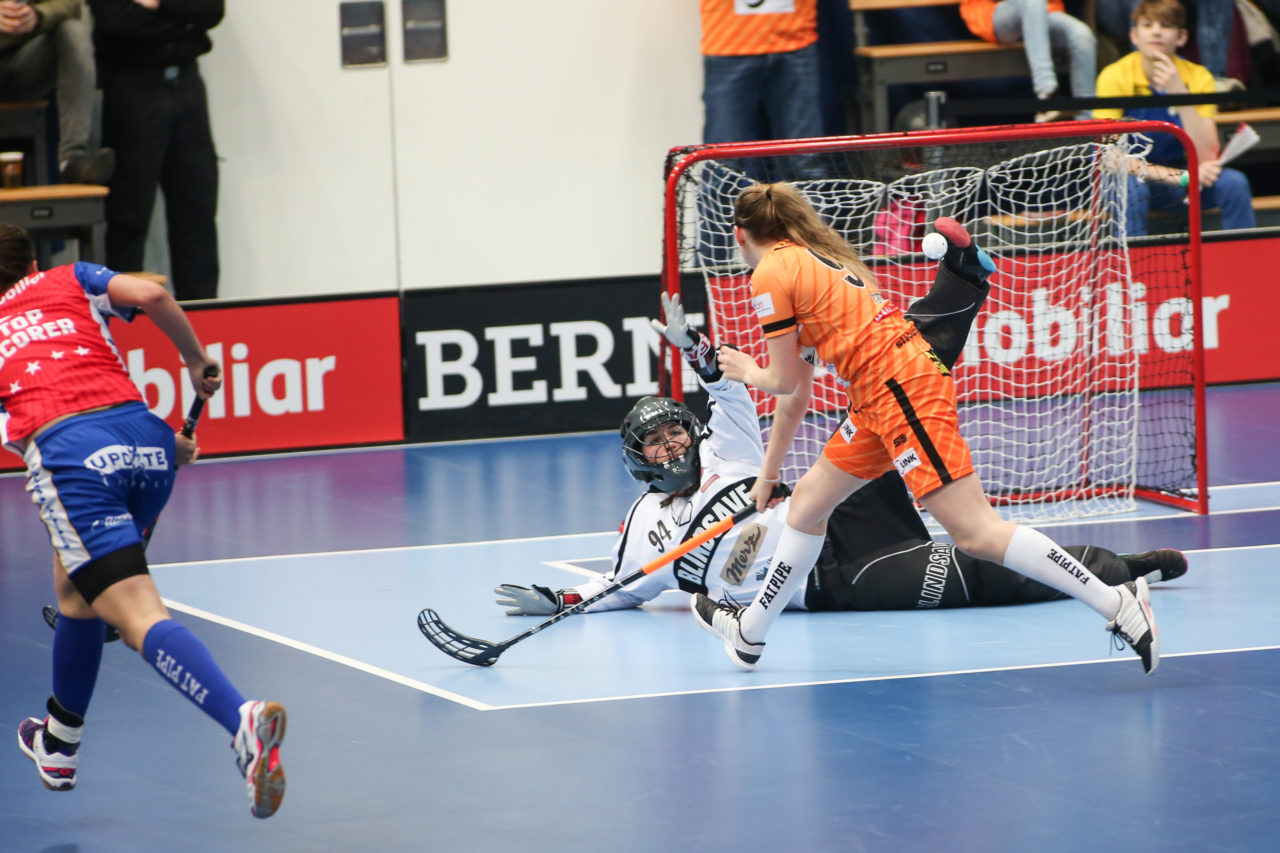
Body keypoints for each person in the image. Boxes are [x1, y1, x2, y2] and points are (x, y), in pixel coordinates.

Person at [686, 185, 1161, 675]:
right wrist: (768, 476)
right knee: (807, 505)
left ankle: (1116, 601)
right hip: (877, 394)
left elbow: (779, 380)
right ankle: (750, 634)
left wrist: (742, 369)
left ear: (739, 234)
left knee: (974, 532)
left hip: (900, 387)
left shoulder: (769, 272)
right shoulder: (812, 259)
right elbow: (796, 397)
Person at [493, 294, 1187, 620]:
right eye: (659, 442)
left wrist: (700, 354)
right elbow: (617, 590)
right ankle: (1122, 570)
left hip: (836, 511)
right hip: (825, 578)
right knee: (972, 572)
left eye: (675, 431)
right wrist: (560, 599)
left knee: (885, 398)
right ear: (640, 461)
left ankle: (948, 308)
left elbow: (726, 394)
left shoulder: (721, 450)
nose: (675, 443)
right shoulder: (645, 525)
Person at [0, 223, 285, 817]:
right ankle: (59, 743)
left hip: (72, 454)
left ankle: (242, 723)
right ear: (30, 261)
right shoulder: (68, 278)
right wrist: (194, 359)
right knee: (75, 593)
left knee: (135, 614)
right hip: (151, 444)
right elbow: (154, 296)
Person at [87, 0, 222, 301]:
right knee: (129, 213)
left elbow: (212, 11)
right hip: (133, 87)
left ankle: (205, 316)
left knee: (197, 210)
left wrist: (159, 4)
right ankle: (125, 323)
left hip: (188, 84)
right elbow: (116, 21)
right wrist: (183, 21)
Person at [1095, 0, 1254, 234]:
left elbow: (1206, 156)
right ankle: (1132, 268)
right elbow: (1111, 158)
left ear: (1181, 37)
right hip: (1132, 179)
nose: (1157, 31)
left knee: (1233, 183)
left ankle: (1244, 263)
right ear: (1134, 35)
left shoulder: (1199, 77)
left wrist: (1179, 92)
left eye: (1166, 25)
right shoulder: (1113, 77)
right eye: (1147, 25)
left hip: (1181, 179)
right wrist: (1178, 177)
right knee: (1131, 187)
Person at [699, 0, 823, 178]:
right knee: (722, 164)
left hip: (796, 40)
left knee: (806, 160)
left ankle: (805, 206)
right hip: (728, 45)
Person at [0, 0, 114, 183]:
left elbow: (72, 3)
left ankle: (72, 159)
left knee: (73, 29)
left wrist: (39, 15)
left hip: (25, 61)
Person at [959, 0, 1098, 121]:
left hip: (1044, 11)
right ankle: (1047, 96)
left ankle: (1087, 122)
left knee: (1082, 34)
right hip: (993, 13)